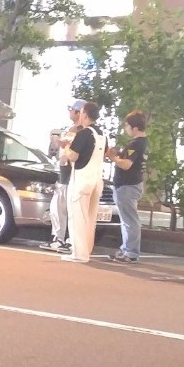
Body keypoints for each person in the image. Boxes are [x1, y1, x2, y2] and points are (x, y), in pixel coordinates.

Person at [60, 100, 106, 263]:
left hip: (81, 180)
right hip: (96, 179)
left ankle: (79, 253)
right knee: (90, 218)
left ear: (85, 114)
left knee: (78, 217)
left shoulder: (84, 133)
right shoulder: (102, 135)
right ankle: (87, 249)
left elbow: (73, 156)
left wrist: (66, 146)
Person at [105, 110, 148, 262]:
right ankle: (126, 250)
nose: (126, 128)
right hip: (131, 184)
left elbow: (126, 164)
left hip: (127, 186)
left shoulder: (136, 144)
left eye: (127, 126)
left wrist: (113, 158)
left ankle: (131, 252)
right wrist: (118, 155)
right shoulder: (142, 143)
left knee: (129, 221)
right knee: (127, 220)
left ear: (134, 127)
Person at [45, 101, 82, 253]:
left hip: (69, 175)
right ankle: (60, 239)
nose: (69, 112)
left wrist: (60, 143)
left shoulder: (81, 131)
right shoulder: (75, 129)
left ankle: (66, 240)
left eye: (71, 109)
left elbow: (70, 150)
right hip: (64, 173)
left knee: (64, 209)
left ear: (79, 112)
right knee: (58, 208)